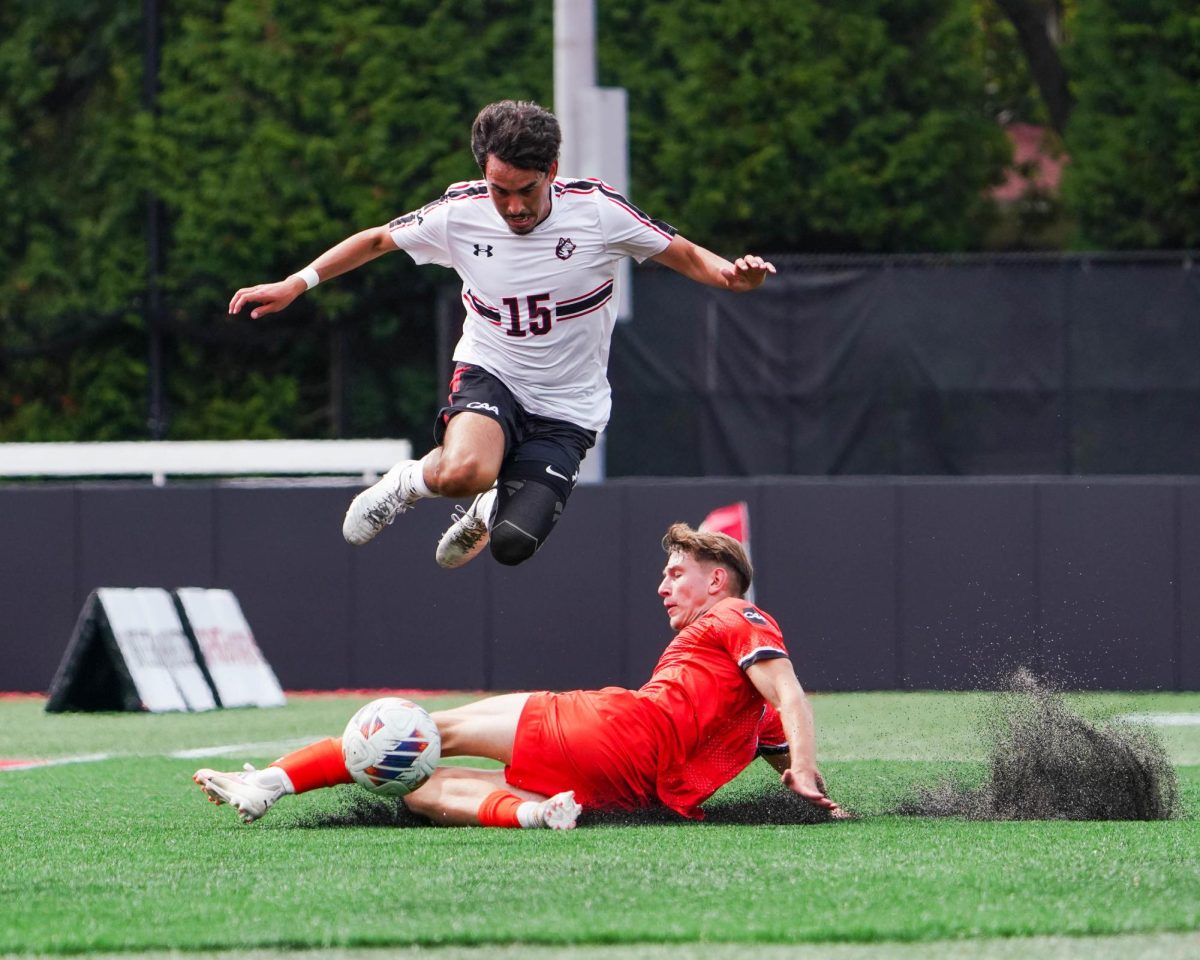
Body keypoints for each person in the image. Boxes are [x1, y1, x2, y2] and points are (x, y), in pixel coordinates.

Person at [228, 100, 777, 570]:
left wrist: (731, 276)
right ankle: (408, 482)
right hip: (494, 373)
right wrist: (296, 283)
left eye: (526, 191)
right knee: (465, 470)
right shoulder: (460, 213)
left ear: (552, 172)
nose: (513, 206)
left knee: (512, 546)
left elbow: (683, 254)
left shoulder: (599, 213)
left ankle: (488, 512)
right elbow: (376, 241)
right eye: (499, 190)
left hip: (569, 407)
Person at [193, 523, 844, 829]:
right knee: (421, 789)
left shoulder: (736, 612)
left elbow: (788, 690)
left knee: (425, 728)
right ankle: (531, 815)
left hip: (613, 731)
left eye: (677, 573)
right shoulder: (739, 697)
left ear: (719, 578)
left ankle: (271, 784)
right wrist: (820, 799)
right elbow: (774, 727)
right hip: (628, 795)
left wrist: (807, 771)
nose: (662, 586)